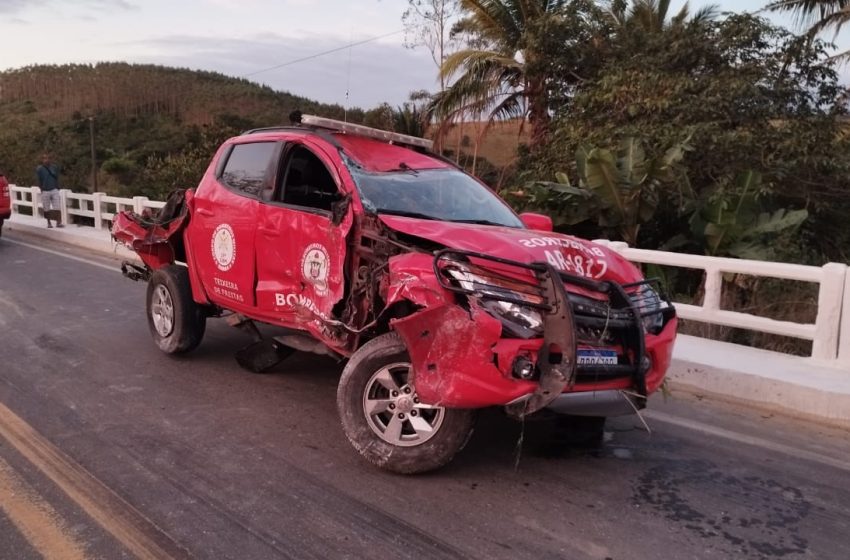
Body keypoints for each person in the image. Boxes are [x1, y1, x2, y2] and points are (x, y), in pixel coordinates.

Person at [36, 153, 62, 228]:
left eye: (48, 158)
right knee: (46, 208)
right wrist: (41, 188)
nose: (46, 160)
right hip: (45, 190)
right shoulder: (40, 169)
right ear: (42, 160)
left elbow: (57, 177)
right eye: (44, 158)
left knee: (57, 206)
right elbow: (39, 179)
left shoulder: (54, 167)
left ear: (50, 159)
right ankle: (49, 222)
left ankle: (58, 222)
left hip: (54, 189)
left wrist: (57, 186)